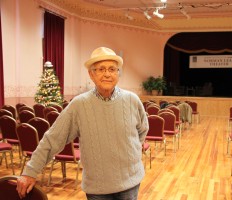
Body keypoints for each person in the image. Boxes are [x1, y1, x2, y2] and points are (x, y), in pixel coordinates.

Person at [17, 47, 149, 200]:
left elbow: (143, 129)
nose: (107, 74)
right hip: (97, 188)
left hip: (130, 182)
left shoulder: (132, 100)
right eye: (101, 69)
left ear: (118, 74)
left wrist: (129, 153)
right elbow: (53, 138)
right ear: (91, 74)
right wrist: (30, 171)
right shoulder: (79, 105)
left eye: (112, 69)